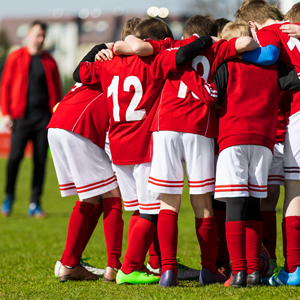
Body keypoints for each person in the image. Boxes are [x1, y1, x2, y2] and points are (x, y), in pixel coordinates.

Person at [73, 16, 214, 285]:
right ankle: (129, 267)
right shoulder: (152, 60)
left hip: (117, 144)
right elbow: (182, 54)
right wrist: (205, 40)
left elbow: (78, 73)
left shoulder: (109, 63)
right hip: (143, 144)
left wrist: (99, 49)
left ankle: (144, 264)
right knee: (152, 211)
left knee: (140, 210)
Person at [236, 0, 300, 286]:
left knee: (280, 194)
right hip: (282, 125)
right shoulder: (292, 30)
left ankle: (288, 265)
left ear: (251, 25)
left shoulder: (269, 32)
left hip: (284, 122)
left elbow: (268, 56)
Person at [0, 20, 62, 218]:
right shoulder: (15, 57)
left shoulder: (50, 61)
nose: (40, 39)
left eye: (43, 35)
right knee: (15, 159)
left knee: (40, 161)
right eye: (37, 35)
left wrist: (57, 116)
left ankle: (35, 203)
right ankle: (8, 197)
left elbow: (57, 91)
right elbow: (5, 86)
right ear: (28, 35)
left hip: (44, 119)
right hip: (21, 118)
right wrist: (6, 112)